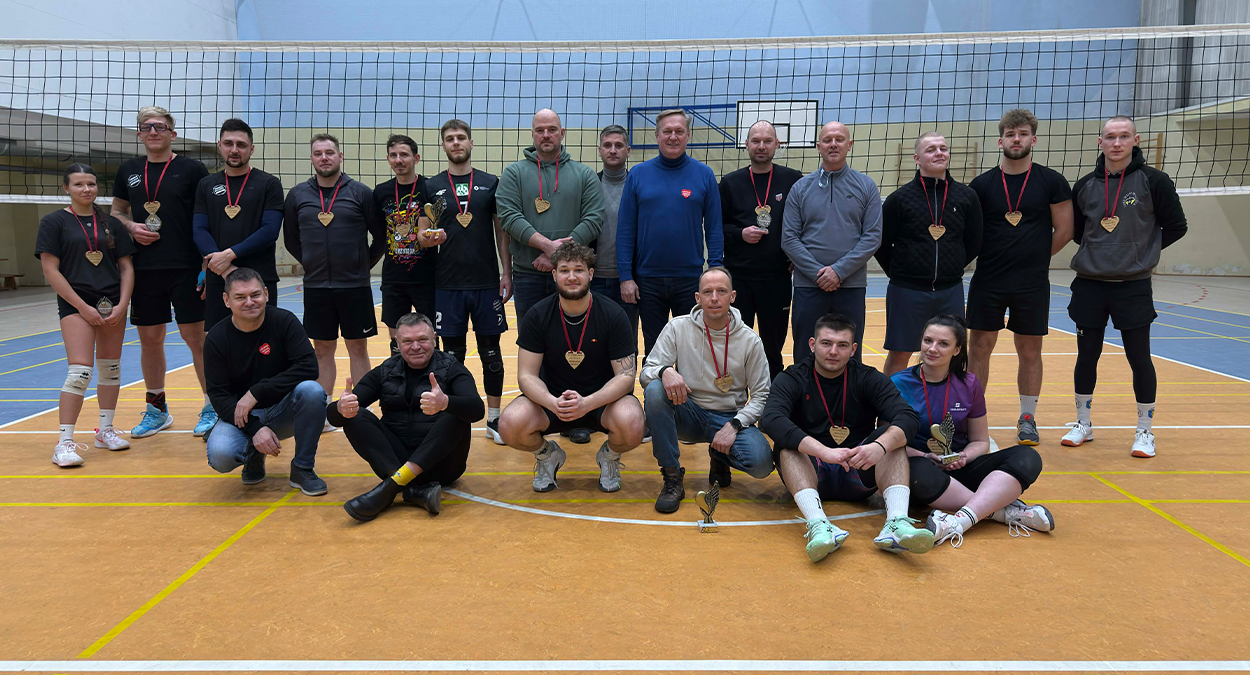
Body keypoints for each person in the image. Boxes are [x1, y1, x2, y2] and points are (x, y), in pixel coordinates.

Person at [760, 314, 934, 561]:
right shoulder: (793, 377)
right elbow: (771, 419)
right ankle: (819, 526)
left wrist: (879, 447)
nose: (833, 351)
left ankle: (896, 524)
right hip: (813, 470)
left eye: (842, 345)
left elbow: (908, 417)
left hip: (859, 467)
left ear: (853, 350)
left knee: (892, 438)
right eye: (826, 343)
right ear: (812, 344)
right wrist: (823, 451)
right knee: (786, 446)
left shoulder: (868, 378)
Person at [1063, 115, 1187, 458]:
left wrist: (1141, 253)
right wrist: (1102, 252)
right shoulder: (1084, 185)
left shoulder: (1154, 181)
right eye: (1110, 137)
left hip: (1132, 286)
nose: (1116, 143)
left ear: (1136, 140)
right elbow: (1078, 232)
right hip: (1090, 284)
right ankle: (1083, 423)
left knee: (1139, 357)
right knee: (1087, 356)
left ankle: (1145, 430)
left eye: (1123, 136)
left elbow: (1176, 226)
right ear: (1100, 142)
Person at [890, 315, 1054, 548]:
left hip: (960, 468)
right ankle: (1003, 511)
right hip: (921, 469)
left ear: (957, 350)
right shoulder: (898, 383)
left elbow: (980, 441)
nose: (932, 349)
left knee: (1028, 457)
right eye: (928, 341)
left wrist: (964, 456)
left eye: (943, 344)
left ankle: (958, 521)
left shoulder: (969, 383)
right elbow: (888, 443)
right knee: (918, 472)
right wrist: (925, 456)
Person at [498, 242, 644, 493]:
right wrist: (552, 402)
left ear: (591, 274)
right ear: (554, 275)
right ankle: (547, 455)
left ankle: (609, 456)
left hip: (601, 402)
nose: (572, 276)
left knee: (632, 423)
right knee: (509, 424)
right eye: (565, 270)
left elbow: (626, 376)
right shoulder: (538, 315)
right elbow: (526, 375)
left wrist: (587, 403)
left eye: (579, 270)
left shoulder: (613, 314)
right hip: (553, 402)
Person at [967, 109, 1073, 446]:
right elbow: (970, 233)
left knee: (1029, 350)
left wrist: (1035, 258)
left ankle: (1027, 418)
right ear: (1000, 141)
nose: (1017, 139)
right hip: (988, 279)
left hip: (1032, 282)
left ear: (1033, 139)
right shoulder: (982, 185)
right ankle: (971, 418)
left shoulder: (1051, 181)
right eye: (1010, 134)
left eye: (1023, 134)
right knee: (979, 347)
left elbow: (1065, 229)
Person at [110, 106, 212, 438]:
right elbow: (117, 211)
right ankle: (157, 410)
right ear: (139, 134)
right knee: (150, 340)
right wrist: (130, 226)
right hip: (145, 269)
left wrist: (205, 263)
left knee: (197, 339)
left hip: (186, 267)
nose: (153, 131)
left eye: (160, 126)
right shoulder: (128, 170)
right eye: (146, 127)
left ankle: (213, 405)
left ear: (173, 133)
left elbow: (206, 217)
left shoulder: (192, 169)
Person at [640, 267, 772, 514]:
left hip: (729, 417)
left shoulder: (749, 340)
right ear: (697, 298)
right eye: (707, 292)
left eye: (721, 291)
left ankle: (719, 454)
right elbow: (647, 372)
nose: (714, 298)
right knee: (656, 390)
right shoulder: (677, 327)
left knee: (762, 464)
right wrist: (664, 371)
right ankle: (672, 477)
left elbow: (762, 395)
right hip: (689, 411)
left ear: (732, 296)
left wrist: (734, 425)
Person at [332, 312, 484, 521]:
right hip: (395, 461)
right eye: (408, 341)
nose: (416, 347)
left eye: (422, 339)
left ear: (434, 339)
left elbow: (477, 409)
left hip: (443, 465)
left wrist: (445, 402)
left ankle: (392, 487)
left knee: (456, 413)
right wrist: (340, 408)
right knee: (356, 414)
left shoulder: (452, 368)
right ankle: (410, 489)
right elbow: (336, 418)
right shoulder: (385, 371)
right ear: (397, 343)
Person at [419, 119, 513, 445]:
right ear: (443, 145)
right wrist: (428, 238)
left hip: (485, 284)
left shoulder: (490, 183)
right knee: (451, 357)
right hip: (448, 285)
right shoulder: (431, 186)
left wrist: (506, 272)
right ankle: (452, 417)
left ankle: (494, 418)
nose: (456, 142)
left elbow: (501, 231)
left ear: (471, 143)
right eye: (450, 138)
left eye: (461, 137)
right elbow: (422, 232)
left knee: (492, 355)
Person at [283, 133, 385, 429]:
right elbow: (291, 239)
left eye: (329, 152)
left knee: (357, 348)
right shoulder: (298, 195)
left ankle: (362, 407)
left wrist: (362, 266)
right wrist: (311, 263)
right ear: (311, 158)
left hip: (355, 286)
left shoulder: (361, 193)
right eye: (318, 153)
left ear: (340, 156)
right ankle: (323, 410)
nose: (324, 157)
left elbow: (380, 237)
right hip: (317, 288)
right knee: (321, 349)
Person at [38, 164, 136, 467]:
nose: (86, 189)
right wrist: (82, 307)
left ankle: (105, 431)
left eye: (91, 184)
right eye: (79, 184)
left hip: (112, 304)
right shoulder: (53, 222)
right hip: (76, 304)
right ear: (66, 188)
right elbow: (50, 270)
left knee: (111, 369)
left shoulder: (112, 223)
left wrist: (123, 304)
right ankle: (64, 443)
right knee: (80, 372)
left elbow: (126, 267)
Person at [203, 267, 327, 495]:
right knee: (221, 455)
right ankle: (253, 455)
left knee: (312, 391)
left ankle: (303, 468)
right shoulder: (216, 339)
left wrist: (256, 392)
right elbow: (219, 396)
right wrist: (255, 428)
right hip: (243, 416)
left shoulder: (284, 321)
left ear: (266, 294)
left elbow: (309, 366)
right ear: (226, 300)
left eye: (255, 294)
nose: (249, 302)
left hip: (283, 410)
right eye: (240, 297)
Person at [618, 108, 724, 358]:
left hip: (690, 279)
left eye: (679, 131)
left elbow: (714, 228)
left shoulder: (705, 175)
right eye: (667, 131)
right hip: (647, 280)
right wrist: (625, 276)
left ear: (688, 135)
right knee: (654, 350)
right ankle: (655, 387)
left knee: (692, 352)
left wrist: (716, 271)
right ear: (657, 136)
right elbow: (625, 230)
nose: (673, 137)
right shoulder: (638, 175)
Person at [876, 131, 983, 377]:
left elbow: (975, 241)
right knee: (900, 353)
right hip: (907, 290)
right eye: (931, 149)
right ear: (917, 158)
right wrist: (901, 272)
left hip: (950, 289)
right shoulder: (899, 199)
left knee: (952, 354)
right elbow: (881, 243)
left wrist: (952, 266)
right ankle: (889, 402)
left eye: (943, 148)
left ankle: (946, 401)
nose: (939, 153)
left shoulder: (967, 197)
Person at [782, 121, 881, 368]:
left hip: (851, 286)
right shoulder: (800, 188)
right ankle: (804, 394)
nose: (833, 144)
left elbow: (872, 237)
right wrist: (819, 274)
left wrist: (838, 271)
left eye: (839, 139)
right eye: (827, 140)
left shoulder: (866, 186)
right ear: (819, 146)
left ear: (850, 145)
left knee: (849, 355)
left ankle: (849, 395)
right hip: (808, 286)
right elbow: (789, 238)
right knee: (805, 352)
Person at [497, 108, 604, 324]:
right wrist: (549, 247)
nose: (546, 135)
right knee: (531, 337)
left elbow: (593, 220)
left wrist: (557, 256)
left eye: (552, 129)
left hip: (572, 274)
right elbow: (509, 217)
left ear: (562, 133)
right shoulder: (513, 173)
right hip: (527, 275)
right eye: (540, 130)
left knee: (573, 336)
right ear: (532, 134)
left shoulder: (585, 175)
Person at [720, 120, 803, 381]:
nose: (761, 146)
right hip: (739, 278)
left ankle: (774, 400)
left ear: (777, 144)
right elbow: (716, 227)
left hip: (777, 278)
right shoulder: (730, 183)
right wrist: (740, 234)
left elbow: (806, 221)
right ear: (746, 145)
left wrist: (798, 257)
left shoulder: (793, 179)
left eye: (767, 141)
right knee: (736, 346)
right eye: (755, 141)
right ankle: (737, 398)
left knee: (772, 349)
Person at [193, 118, 284, 335]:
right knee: (219, 341)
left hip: (260, 277)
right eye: (228, 143)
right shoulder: (206, 185)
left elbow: (270, 230)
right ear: (220, 146)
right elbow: (199, 230)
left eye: (241, 145)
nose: (234, 150)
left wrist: (229, 255)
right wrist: (225, 268)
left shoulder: (269, 184)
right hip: (219, 278)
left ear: (251, 149)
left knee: (264, 342)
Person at [373, 134, 437, 355]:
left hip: (427, 277)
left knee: (431, 337)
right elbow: (379, 234)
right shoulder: (381, 192)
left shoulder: (430, 187)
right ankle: (398, 376)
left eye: (404, 155)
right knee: (397, 341)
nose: (398, 160)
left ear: (416, 158)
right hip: (394, 278)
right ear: (388, 159)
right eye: (393, 155)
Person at [592, 124, 639, 341]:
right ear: (599, 150)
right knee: (595, 343)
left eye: (618, 145)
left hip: (628, 280)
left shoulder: (638, 185)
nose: (612, 150)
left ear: (628, 151)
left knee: (626, 342)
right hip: (593, 279)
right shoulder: (589, 185)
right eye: (607, 145)